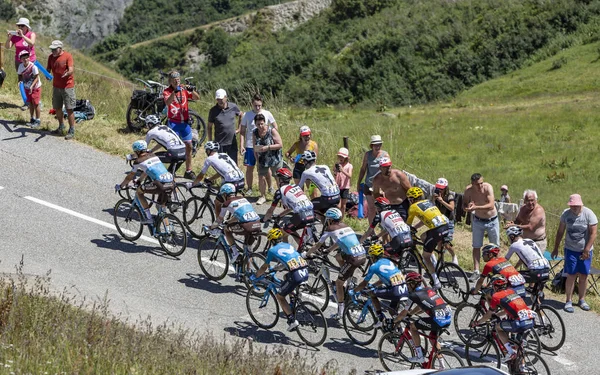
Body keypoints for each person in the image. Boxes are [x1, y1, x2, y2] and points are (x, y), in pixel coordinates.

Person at [305, 208, 366, 320]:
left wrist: (307, 254)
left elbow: (317, 245)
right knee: (338, 256)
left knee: (338, 283)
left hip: (353, 259)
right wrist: (328, 250)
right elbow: (339, 241)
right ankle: (349, 279)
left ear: (330, 220)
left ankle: (340, 311)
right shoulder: (346, 226)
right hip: (362, 255)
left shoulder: (330, 228)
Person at [251, 228, 309, 332]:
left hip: (295, 275)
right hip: (304, 270)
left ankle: (291, 321)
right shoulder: (289, 245)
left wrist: (256, 276)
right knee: (286, 277)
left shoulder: (272, 250)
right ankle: (292, 300)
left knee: (280, 296)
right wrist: (276, 268)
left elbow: (264, 267)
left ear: (272, 241)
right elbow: (289, 260)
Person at [471, 274, 537, 363]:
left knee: (498, 328)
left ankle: (509, 353)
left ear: (495, 286)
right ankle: (522, 368)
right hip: (531, 319)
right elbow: (507, 311)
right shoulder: (512, 292)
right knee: (519, 347)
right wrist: (498, 315)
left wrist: (478, 322)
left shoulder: (496, 296)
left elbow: (489, 313)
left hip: (520, 322)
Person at [552, 194, 597, 313]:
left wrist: (587, 249)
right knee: (571, 275)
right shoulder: (566, 214)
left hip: (585, 250)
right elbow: (560, 231)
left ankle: (582, 299)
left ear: (581, 204)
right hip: (571, 249)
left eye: (576, 206)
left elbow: (593, 233)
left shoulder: (589, 214)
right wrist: (556, 247)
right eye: (572, 206)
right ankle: (568, 300)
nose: (574, 208)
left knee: (583, 275)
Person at [394, 272, 452, 364]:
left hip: (438, 319)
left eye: (408, 285)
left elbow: (403, 313)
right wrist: (411, 313)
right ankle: (442, 366)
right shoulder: (428, 289)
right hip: (448, 316)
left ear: (413, 284)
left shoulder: (413, 295)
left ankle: (419, 356)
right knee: (433, 338)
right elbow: (421, 306)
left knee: (413, 326)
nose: (408, 287)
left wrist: (395, 320)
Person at [117, 140, 174, 224]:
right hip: (171, 182)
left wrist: (121, 186)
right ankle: (169, 229)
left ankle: (149, 218)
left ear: (137, 151)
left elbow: (130, 177)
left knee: (139, 192)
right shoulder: (153, 155)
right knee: (161, 208)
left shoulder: (138, 161)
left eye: (135, 152)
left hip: (160, 184)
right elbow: (146, 171)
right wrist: (139, 180)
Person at [352, 243, 408, 328]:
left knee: (372, 294)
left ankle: (380, 318)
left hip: (395, 289)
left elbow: (364, 283)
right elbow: (384, 278)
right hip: (404, 287)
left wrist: (354, 291)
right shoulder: (389, 261)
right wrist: (374, 285)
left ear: (373, 256)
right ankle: (397, 329)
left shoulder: (374, 266)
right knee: (391, 310)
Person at [405, 187, 450, 289]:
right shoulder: (428, 202)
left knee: (425, 257)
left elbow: (407, 225)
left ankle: (436, 282)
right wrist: (415, 228)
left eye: (409, 199)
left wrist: (407, 231)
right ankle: (433, 260)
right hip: (446, 226)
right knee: (423, 236)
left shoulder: (413, 207)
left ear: (412, 199)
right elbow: (424, 219)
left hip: (437, 230)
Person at [162, 70, 200, 180]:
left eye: (178, 80)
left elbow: (197, 98)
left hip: (185, 123)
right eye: (174, 81)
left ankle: (188, 170)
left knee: (189, 146)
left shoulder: (183, 89)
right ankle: (171, 170)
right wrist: (174, 91)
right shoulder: (167, 91)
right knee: (174, 149)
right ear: (170, 81)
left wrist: (192, 91)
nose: (176, 82)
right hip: (174, 122)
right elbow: (167, 103)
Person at [262, 168, 315, 246]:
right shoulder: (296, 187)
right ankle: (305, 249)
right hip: (311, 212)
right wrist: (280, 215)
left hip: (300, 215)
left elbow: (271, 210)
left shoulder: (280, 191)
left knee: (283, 233)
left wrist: (264, 219)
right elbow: (291, 208)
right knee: (291, 230)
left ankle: (287, 252)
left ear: (280, 180)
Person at [210, 183, 261, 263]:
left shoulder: (226, 203)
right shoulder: (243, 198)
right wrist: (228, 222)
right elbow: (238, 215)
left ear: (225, 195)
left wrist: (211, 227)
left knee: (226, 230)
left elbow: (219, 220)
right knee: (248, 250)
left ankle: (235, 253)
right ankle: (247, 271)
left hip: (247, 226)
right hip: (257, 224)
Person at [190, 141, 244, 216]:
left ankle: (219, 224)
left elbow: (200, 175)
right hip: (241, 179)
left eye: (206, 150)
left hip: (231, 182)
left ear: (208, 150)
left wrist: (193, 184)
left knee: (218, 203)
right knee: (230, 201)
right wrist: (210, 179)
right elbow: (221, 172)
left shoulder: (209, 159)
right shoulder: (224, 155)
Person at [463, 173, 500, 281]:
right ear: (472, 184)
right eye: (477, 184)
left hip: (492, 220)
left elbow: (491, 205)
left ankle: (495, 269)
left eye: (481, 183)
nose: (480, 186)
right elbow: (464, 204)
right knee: (476, 245)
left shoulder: (488, 188)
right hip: (478, 220)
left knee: (495, 246)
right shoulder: (468, 190)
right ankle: (476, 270)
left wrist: (476, 207)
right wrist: (467, 208)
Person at [240, 94, 277, 196]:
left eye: (259, 105)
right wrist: (242, 145)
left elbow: (275, 126)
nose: (258, 108)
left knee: (266, 168)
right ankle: (250, 188)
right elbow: (242, 131)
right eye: (256, 105)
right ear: (252, 104)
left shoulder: (267, 113)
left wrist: (271, 139)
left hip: (264, 146)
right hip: (250, 146)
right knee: (250, 168)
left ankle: (270, 188)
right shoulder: (247, 115)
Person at [46, 40, 76, 140]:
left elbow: (71, 69)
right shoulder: (50, 57)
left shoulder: (68, 56)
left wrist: (67, 73)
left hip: (67, 86)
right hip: (56, 86)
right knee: (57, 107)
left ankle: (71, 130)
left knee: (69, 108)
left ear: (60, 48)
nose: (53, 51)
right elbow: (48, 69)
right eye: (52, 49)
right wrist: (47, 75)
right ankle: (61, 126)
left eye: (55, 49)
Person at [357, 135, 390, 222]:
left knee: (382, 209)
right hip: (369, 184)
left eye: (379, 144)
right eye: (375, 145)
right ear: (372, 146)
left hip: (381, 186)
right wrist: (359, 183)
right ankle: (371, 231)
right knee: (371, 208)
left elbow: (388, 171)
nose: (377, 147)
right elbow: (363, 169)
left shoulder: (385, 155)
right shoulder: (367, 155)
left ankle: (384, 227)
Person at [297, 151, 341, 216]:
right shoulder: (325, 166)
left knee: (309, 206)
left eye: (303, 161)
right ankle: (327, 223)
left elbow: (299, 187)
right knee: (321, 209)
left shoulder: (306, 172)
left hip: (327, 199)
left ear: (306, 161)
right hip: (337, 197)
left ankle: (321, 223)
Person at [252, 113, 283, 205]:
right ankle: (262, 196)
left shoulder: (271, 130)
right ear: (255, 124)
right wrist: (257, 160)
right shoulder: (254, 132)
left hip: (274, 157)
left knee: (278, 177)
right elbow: (254, 147)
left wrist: (268, 147)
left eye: (262, 123)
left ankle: (282, 196)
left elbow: (280, 144)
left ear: (265, 122)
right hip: (262, 158)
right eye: (258, 124)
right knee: (261, 176)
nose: (260, 126)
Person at [372, 157, 412, 221]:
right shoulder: (377, 180)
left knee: (404, 224)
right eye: (385, 167)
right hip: (389, 206)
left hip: (402, 204)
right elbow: (376, 193)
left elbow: (409, 189)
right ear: (380, 168)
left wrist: (412, 202)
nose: (388, 169)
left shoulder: (398, 175)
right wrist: (379, 205)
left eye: (389, 167)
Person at [208, 89, 242, 164]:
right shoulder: (213, 111)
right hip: (219, 143)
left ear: (226, 97)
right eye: (218, 99)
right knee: (221, 165)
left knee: (233, 163)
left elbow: (240, 115)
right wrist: (210, 141)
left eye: (221, 99)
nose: (219, 101)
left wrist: (239, 129)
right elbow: (209, 127)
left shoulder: (233, 107)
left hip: (232, 141)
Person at [433, 178, 458, 265]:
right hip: (439, 220)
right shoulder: (436, 194)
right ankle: (440, 261)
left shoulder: (450, 195)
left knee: (446, 243)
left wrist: (442, 201)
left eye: (442, 188)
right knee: (439, 242)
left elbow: (451, 208)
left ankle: (454, 256)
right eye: (438, 188)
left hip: (449, 221)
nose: (440, 190)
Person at [16, 50, 41, 128]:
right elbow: (20, 75)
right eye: (24, 58)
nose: (26, 59)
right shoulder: (20, 66)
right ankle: (32, 118)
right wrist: (20, 81)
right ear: (21, 59)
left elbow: (36, 77)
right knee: (30, 103)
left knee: (36, 103)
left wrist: (32, 86)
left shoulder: (33, 66)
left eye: (27, 57)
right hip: (27, 87)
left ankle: (38, 120)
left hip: (35, 87)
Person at [334, 147, 353, 219]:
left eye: (342, 157)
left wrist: (342, 170)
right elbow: (335, 174)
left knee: (343, 205)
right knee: (338, 205)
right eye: (339, 156)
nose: (340, 158)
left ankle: (342, 218)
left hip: (345, 187)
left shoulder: (349, 166)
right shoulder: (338, 164)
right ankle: (337, 217)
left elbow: (350, 175)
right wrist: (335, 172)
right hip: (338, 186)